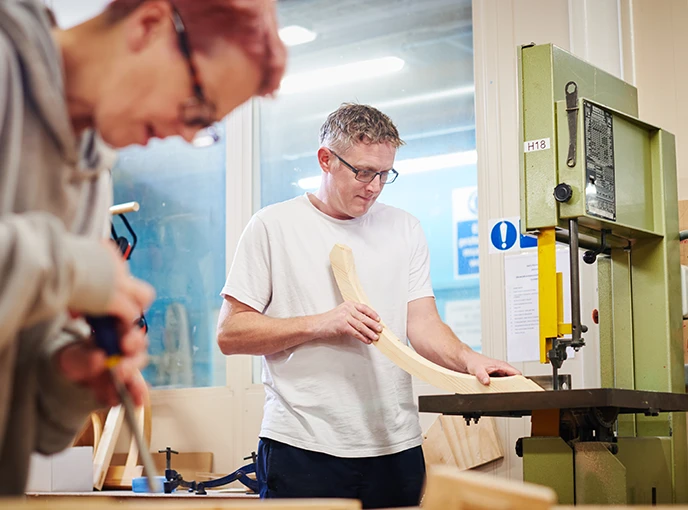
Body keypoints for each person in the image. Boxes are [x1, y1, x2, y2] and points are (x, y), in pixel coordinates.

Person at [0, 0, 286, 495]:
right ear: (150, 25)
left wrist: (73, 375)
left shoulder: (87, 184)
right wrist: (72, 268)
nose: (185, 131)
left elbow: (38, 431)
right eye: (198, 104)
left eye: (205, 126)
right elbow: (60, 270)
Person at [217, 103, 520, 509]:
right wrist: (322, 323)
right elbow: (231, 334)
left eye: (384, 174)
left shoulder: (404, 228)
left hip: (395, 448)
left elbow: (423, 324)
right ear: (325, 159)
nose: (374, 186)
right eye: (362, 172)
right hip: (303, 446)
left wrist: (469, 360)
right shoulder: (272, 226)